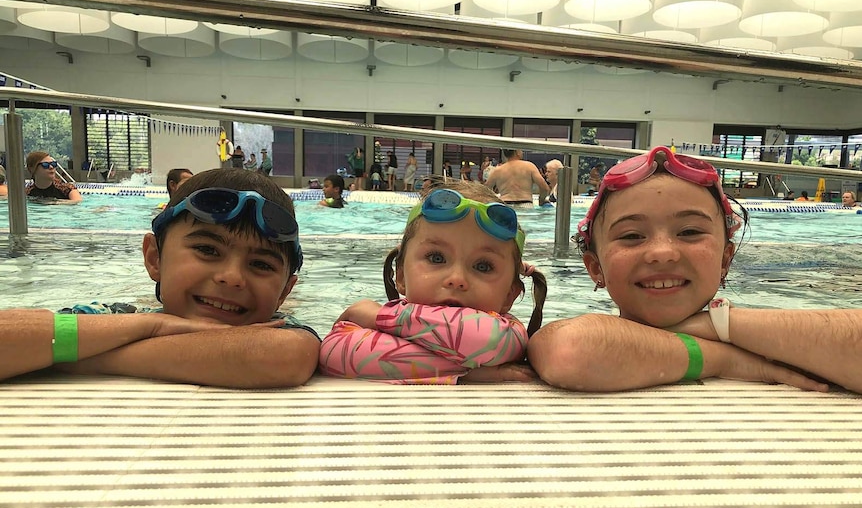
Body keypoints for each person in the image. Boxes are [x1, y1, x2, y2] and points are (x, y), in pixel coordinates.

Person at [528, 146, 862, 394]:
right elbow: (569, 350)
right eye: (631, 236)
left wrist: (718, 324)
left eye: (689, 232)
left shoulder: (774, 338)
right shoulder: (759, 353)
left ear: (725, 260)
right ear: (595, 267)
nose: (662, 253)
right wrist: (727, 360)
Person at [1, 168, 320, 388]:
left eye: (261, 265)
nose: (231, 277)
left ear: (284, 291)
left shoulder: (279, 329)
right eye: (208, 250)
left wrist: (77, 358)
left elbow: (286, 356)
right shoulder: (117, 318)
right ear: (155, 258)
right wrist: (154, 324)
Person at [319, 180, 548, 384]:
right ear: (400, 276)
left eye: (483, 266)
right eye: (436, 258)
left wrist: (380, 317)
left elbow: (489, 339)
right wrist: (471, 373)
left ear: (510, 294)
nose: (457, 279)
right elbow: (333, 352)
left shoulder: (510, 333)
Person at [484, 149, 550, 207]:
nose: (522, 152)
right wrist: (541, 200)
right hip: (526, 204)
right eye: (521, 150)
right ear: (517, 152)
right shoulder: (529, 166)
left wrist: (494, 201)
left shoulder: (498, 170)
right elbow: (544, 188)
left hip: (505, 205)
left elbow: (484, 190)